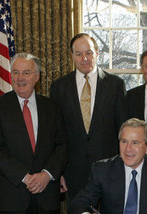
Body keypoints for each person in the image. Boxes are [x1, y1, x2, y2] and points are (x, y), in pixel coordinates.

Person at [0, 53, 67, 214]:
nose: (20, 78)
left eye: (26, 73)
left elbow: (62, 145)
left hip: (47, 194)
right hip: (12, 196)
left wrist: (47, 174)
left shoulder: (52, 107)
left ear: (36, 76)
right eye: (15, 72)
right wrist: (25, 177)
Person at [50, 33, 127, 200]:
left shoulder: (115, 85)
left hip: (110, 171)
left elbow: (122, 130)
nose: (84, 58)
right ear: (72, 56)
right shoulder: (59, 88)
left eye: (89, 53)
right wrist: (59, 172)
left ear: (97, 53)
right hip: (73, 173)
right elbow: (55, 134)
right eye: (79, 54)